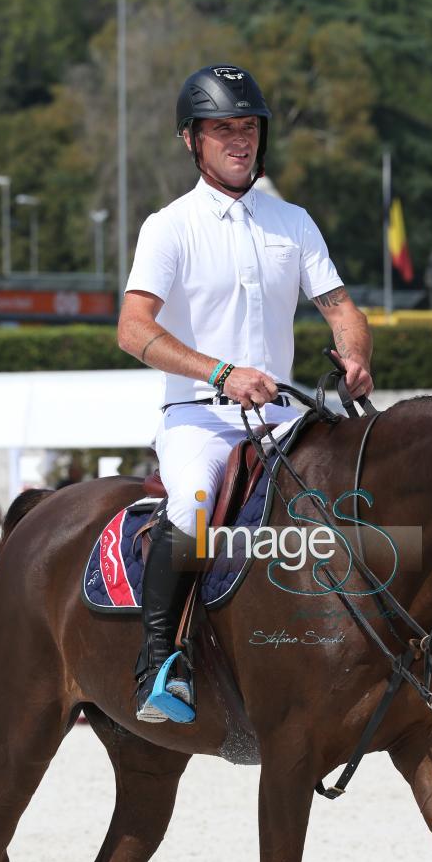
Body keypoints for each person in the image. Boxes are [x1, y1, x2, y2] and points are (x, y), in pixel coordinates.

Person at [117, 63, 373, 724]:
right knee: (196, 502)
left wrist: (355, 353)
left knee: (358, 492)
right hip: (199, 417)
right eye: (223, 129)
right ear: (191, 140)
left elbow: (341, 308)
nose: (240, 140)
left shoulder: (293, 222)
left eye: (249, 127)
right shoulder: (167, 227)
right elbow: (132, 329)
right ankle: (159, 664)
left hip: (286, 419)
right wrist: (221, 373)